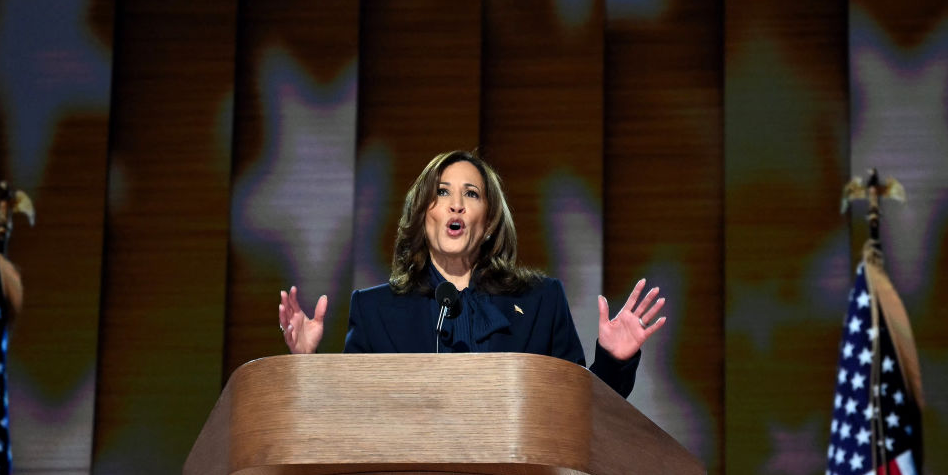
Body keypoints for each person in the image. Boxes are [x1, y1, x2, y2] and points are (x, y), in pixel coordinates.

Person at [279, 150, 665, 398]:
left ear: (490, 222)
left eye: (472, 195)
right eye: (443, 192)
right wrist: (305, 367)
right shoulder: (375, 309)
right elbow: (347, 417)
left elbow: (578, 416)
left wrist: (614, 361)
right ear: (422, 214)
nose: (457, 206)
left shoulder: (540, 301)